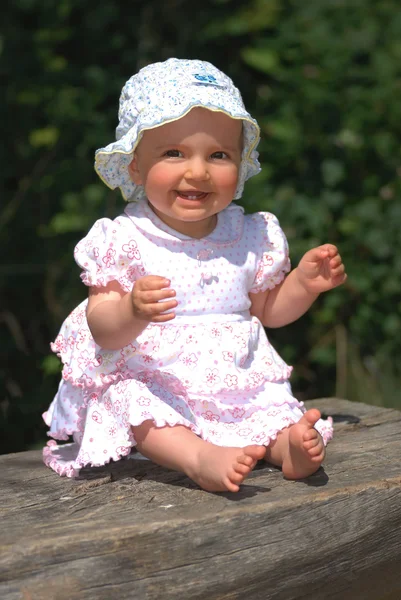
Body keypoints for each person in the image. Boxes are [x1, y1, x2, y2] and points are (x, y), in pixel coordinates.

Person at [43, 58, 347, 492]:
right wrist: (131, 309)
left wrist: (303, 283)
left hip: (235, 383)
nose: (199, 171)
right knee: (131, 404)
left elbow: (268, 310)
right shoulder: (123, 239)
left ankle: (287, 448)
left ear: (240, 165)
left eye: (219, 155)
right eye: (174, 153)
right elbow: (103, 331)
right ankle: (199, 458)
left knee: (272, 410)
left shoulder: (250, 233)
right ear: (134, 166)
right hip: (158, 385)